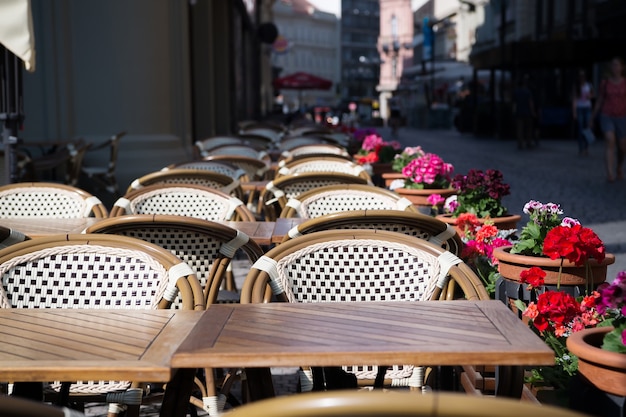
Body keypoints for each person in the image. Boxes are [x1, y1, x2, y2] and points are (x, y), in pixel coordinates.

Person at [591, 56, 626, 182]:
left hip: (622, 116)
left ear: (622, 67)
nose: (615, 67)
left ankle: (619, 167)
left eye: (617, 65)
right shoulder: (605, 83)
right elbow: (600, 100)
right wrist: (593, 116)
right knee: (609, 140)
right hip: (607, 115)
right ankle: (610, 173)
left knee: (622, 146)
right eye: (613, 65)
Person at [572, 70, 594, 156]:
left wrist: (590, 96)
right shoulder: (576, 86)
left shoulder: (589, 85)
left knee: (587, 128)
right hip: (580, 108)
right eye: (580, 76)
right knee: (580, 128)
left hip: (587, 107)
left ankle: (586, 148)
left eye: (583, 76)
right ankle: (581, 148)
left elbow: (593, 94)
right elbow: (574, 99)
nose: (582, 78)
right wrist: (574, 112)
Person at [512, 75, 537, 150]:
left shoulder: (516, 92)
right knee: (528, 128)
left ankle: (520, 143)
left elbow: (514, 104)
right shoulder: (528, 92)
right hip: (527, 112)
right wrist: (533, 112)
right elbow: (530, 103)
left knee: (520, 129)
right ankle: (528, 142)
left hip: (519, 112)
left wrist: (513, 112)